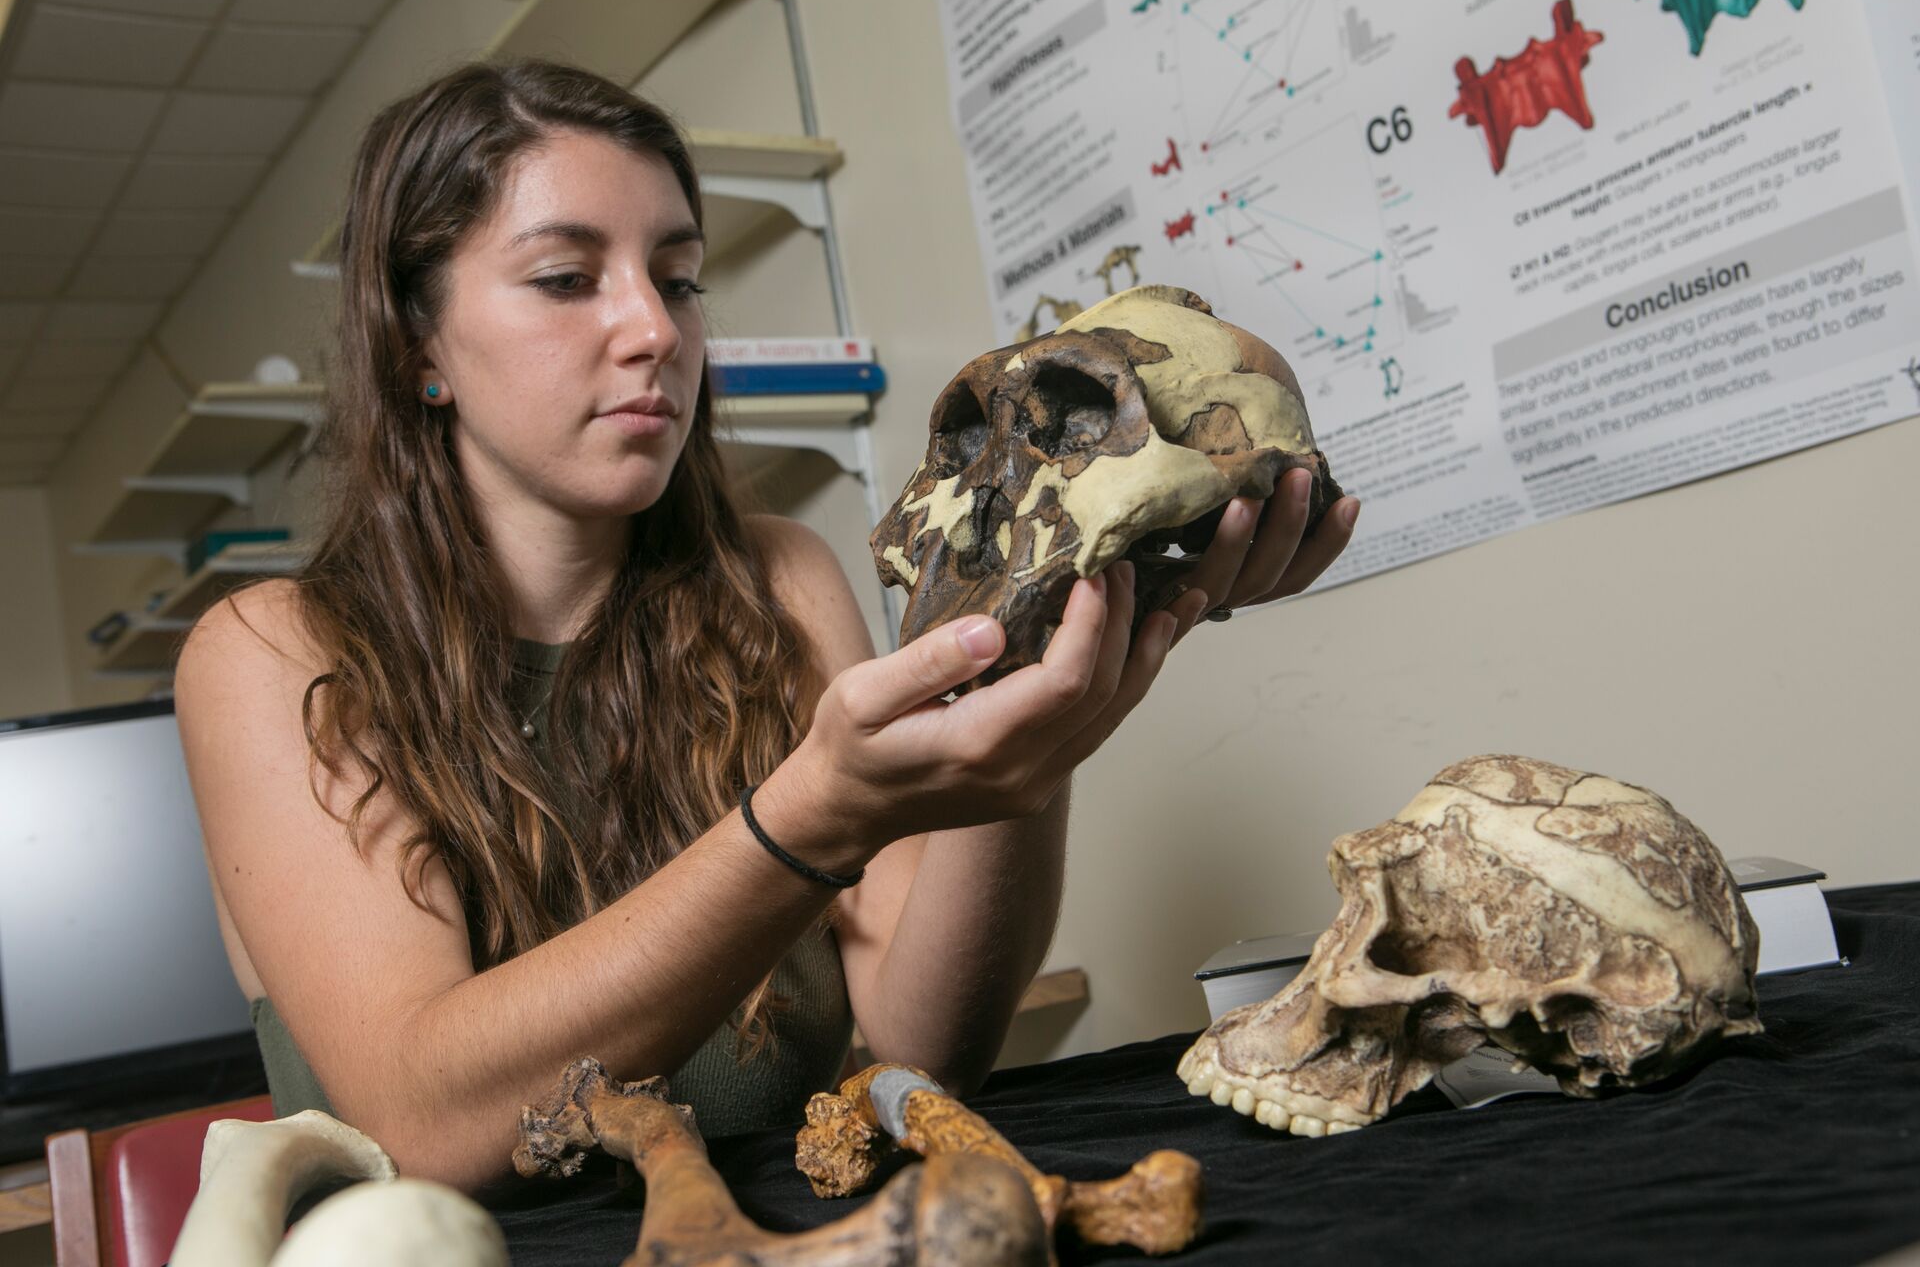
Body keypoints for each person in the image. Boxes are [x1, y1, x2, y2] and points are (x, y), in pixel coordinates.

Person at [175, 60, 1358, 1193]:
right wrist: (808, 818)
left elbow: (921, 1042)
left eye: (679, 278)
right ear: (418, 345)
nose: (655, 330)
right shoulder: (274, 653)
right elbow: (427, 1120)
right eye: (565, 278)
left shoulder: (776, 583)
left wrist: (1029, 698)